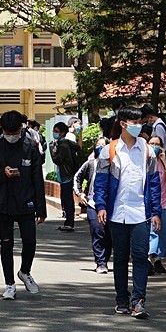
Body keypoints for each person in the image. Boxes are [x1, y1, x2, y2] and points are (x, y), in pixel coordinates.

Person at [94, 108, 161, 319]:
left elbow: (154, 183)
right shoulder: (110, 150)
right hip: (117, 213)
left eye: (140, 122)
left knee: (141, 256)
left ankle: (139, 300)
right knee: (120, 257)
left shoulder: (148, 150)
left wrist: (156, 212)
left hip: (141, 212)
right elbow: (101, 183)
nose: (138, 125)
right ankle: (121, 297)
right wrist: (101, 207)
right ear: (123, 123)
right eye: (134, 121)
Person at [0, 110, 47, 299]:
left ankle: (25, 271)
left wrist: (41, 208)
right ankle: (9, 284)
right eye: (7, 133)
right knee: (6, 244)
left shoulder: (31, 147)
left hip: (26, 201)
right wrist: (4, 173)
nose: (10, 137)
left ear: (21, 128)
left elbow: (37, 179)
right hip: (3, 203)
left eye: (14, 133)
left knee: (30, 241)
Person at [74, 115, 117, 273]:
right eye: (98, 146)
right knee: (97, 231)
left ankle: (105, 259)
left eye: (104, 145)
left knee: (109, 235)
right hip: (93, 203)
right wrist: (80, 194)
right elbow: (76, 177)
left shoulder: (115, 163)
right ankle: (100, 262)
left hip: (111, 204)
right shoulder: (91, 163)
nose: (101, 148)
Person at [146, 134, 166, 274]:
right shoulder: (143, 160)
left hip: (164, 201)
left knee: (163, 233)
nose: (154, 146)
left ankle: (157, 259)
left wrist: (164, 161)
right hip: (148, 202)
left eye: (157, 144)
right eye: (151, 143)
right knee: (152, 232)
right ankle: (150, 260)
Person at [49, 122, 82, 232]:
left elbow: (57, 160)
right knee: (67, 198)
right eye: (54, 131)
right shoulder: (66, 143)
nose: (55, 133)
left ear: (63, 133)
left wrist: (52, 150)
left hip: (66, 175)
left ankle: (69, 222)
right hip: (67, 174)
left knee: (67, 199)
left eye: (57, 131)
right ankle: (69, 221)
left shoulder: (63, 146)